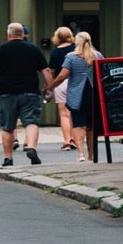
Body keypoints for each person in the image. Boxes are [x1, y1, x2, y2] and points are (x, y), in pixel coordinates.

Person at [0, 22, 52, 167]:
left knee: (8, 126)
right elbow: (46, 70)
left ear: (9, 35)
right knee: (31, 122)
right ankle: (32, 148)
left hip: (7, 93)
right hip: (30, 92)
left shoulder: (0, 50)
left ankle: (8, 158)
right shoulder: (33, 48)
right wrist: (50, 88)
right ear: (22, 34)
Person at [46, 31, 100, 161]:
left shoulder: (71, 57)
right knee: (91, 127)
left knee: (78, 125)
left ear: (77, 42)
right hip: (93, 94)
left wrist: (50, 86)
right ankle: (91, 155)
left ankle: (81, 153)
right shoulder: (98, 56)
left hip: (77, 95)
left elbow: (62, 76)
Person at [48, 26, 76, 151]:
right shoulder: (76, 50)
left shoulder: (55, 52)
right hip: (75, 82)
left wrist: (48, 86)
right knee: (74, 113)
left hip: (61, 83)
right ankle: (75, 138)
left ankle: (67, 141)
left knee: (63, 114)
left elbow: (52, 71)